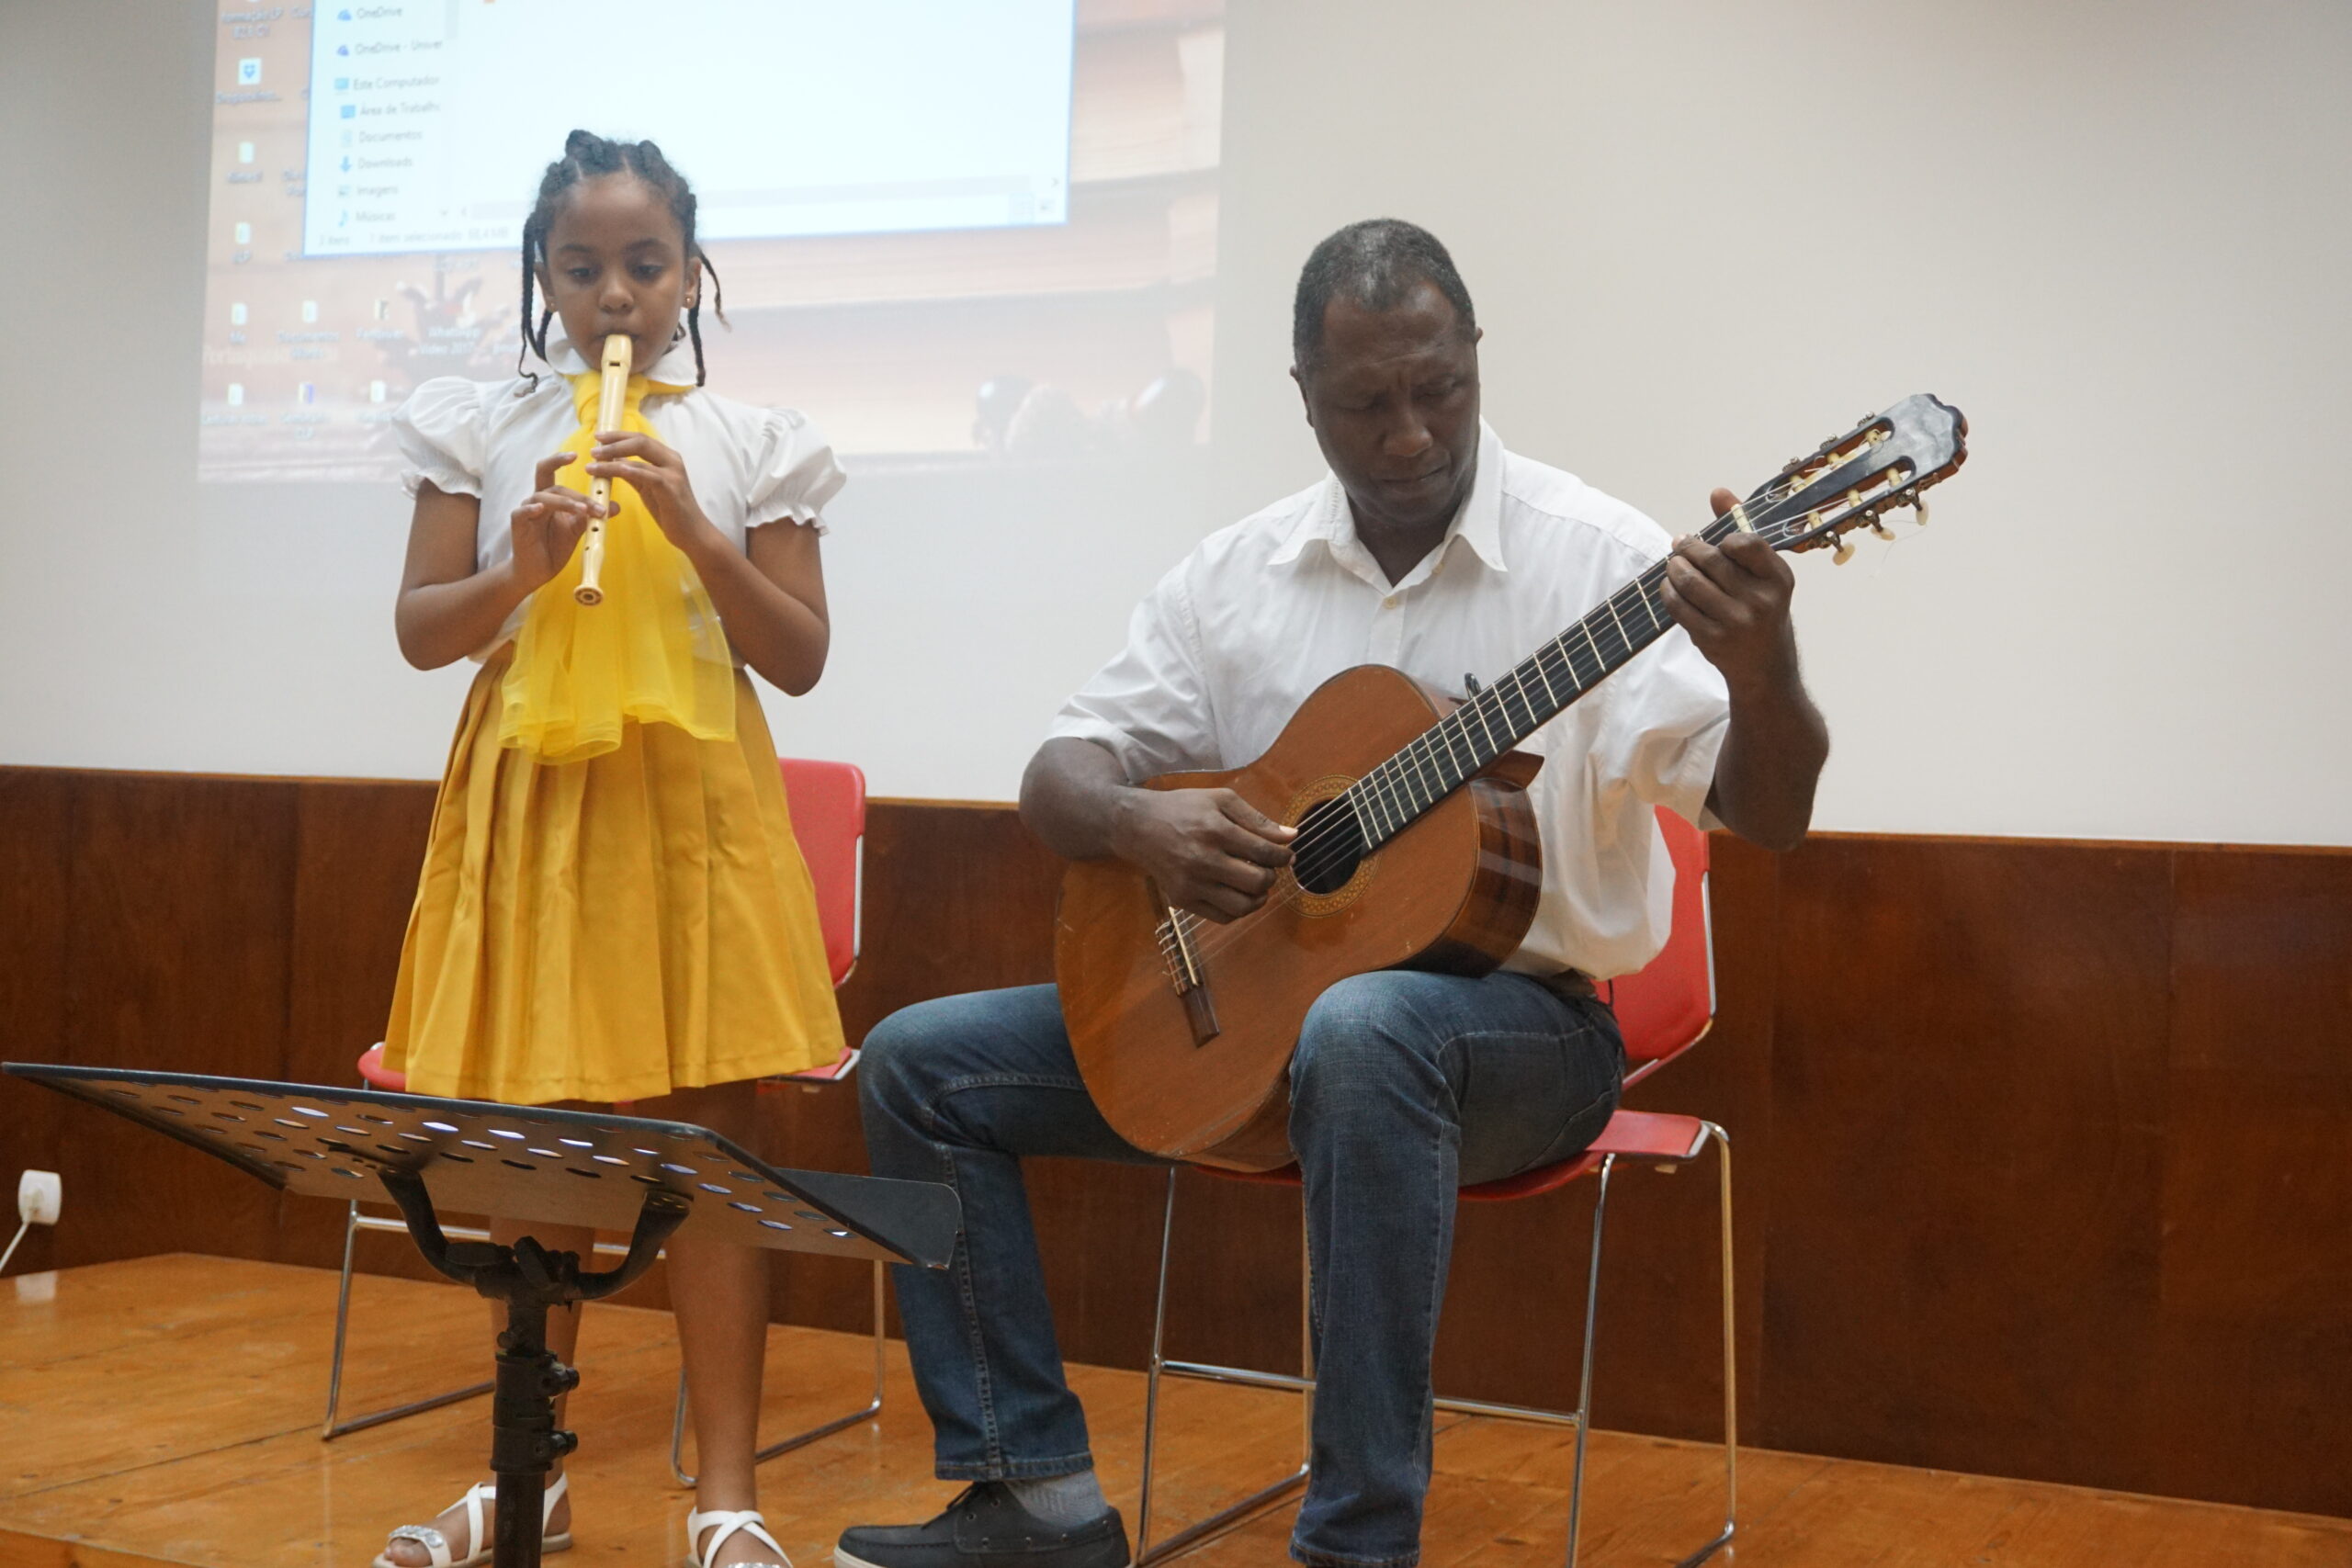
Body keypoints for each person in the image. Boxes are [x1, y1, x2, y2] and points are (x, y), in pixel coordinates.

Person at [835, 219, 1828, 1568]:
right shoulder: (1233, 578)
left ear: (1476, 359)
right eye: (1367, 403)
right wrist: (1139, 822)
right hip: (1257, 1024)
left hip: (1526, 1037)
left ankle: (1357, 1546)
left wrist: (1764, 667)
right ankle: (1033, 1503)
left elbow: (1772, 814)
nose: (1411, 434)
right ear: (1303, 394)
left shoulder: (1597, 561)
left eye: (1440, 390)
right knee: (917, 1066)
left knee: (1363, 1030)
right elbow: (1059, 774)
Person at [376, 130, 846, 1568]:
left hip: (692, 810)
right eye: (582, 269)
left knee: (705, 1140)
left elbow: (800, 657)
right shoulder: (478, 426)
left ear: (692, 274)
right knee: (540, 1131)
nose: (616, 295)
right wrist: (520, 569)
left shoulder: (756, 440)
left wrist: (695, 531)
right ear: (544, 280)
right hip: (533, 802)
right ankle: (530, 1479)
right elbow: (419, 634)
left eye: (645, 265)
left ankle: (726, 1496)